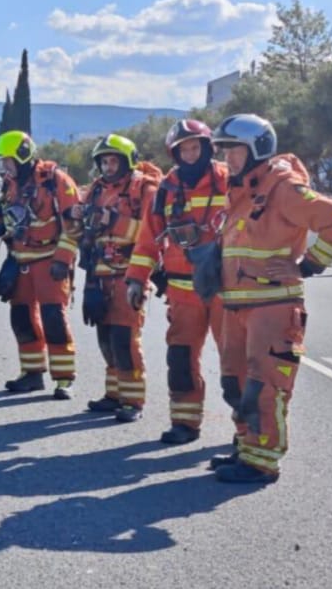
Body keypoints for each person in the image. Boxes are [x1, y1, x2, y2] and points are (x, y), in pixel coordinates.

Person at [207, 114, 332, 484]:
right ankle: (246, 447)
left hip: (273, 307)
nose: (228, 159)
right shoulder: (241, 191)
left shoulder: (283, 188)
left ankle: (262, 462)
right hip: (237, 306)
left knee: (264, 385)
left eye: (235, 150)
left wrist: (307, 266)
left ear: (257, 147)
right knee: (235, 382)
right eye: (224, 151)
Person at [125, 120, 231, 444]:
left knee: (237, 362)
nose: (189, 154)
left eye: (194, 147)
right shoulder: (168, 189)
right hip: (183, 292)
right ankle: (185, 424)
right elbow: (147, 240)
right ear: (174, 152)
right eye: (182, 149)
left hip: (225, 289)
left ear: (207, 147)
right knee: (181, 359)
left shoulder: (230, 179)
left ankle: (248, 435)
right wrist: (136, 280)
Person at [0, 131, 82, 398]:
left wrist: (63, 259)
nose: (4, 169)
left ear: (23, 157)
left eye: (8, 162)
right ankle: (32, 374)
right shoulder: (10, 186)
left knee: (53, 319)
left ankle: (64, 379)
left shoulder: (56, 181)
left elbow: (74, 225)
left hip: (49, 262)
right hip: (20, 262)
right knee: (22, 319)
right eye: (2, 164)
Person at [75, 134, 160, 423]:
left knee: (125, 339)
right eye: (105, 162)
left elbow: (155, 231)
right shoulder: (96, 190)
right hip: (100, 275)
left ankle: (133, 400)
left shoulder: (144, 189)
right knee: (106, 339)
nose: (109, 167)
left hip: (129, 275)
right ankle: (113, 395)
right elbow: (84, 224)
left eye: (114, 161)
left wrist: (113, 221)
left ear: (128, 161)